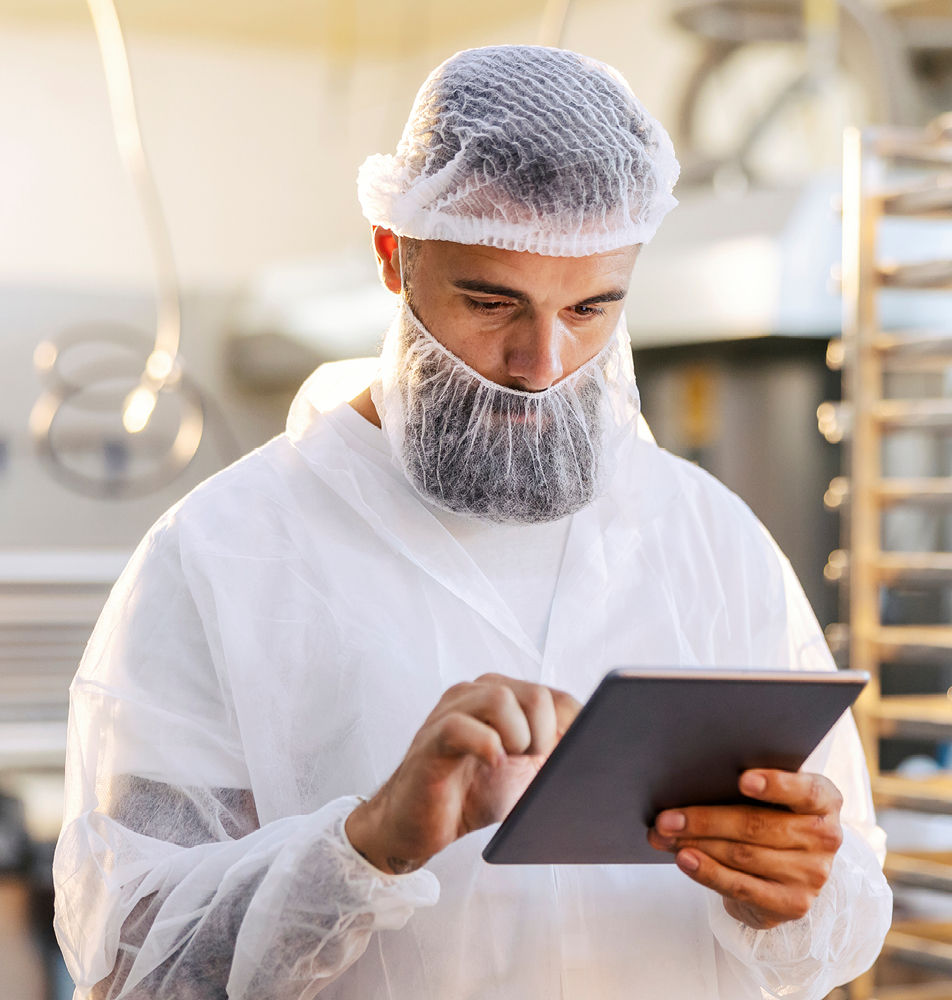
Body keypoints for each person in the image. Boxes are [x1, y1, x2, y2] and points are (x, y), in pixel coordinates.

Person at [54, 45, 892, 1000]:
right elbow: (133, 962)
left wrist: (793, 888)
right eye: (492, 301)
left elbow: (849, 890)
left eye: (592, 307)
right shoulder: (221, 558)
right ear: (393, 254)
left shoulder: (709, 539)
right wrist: (368, 844)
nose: (543, 362)